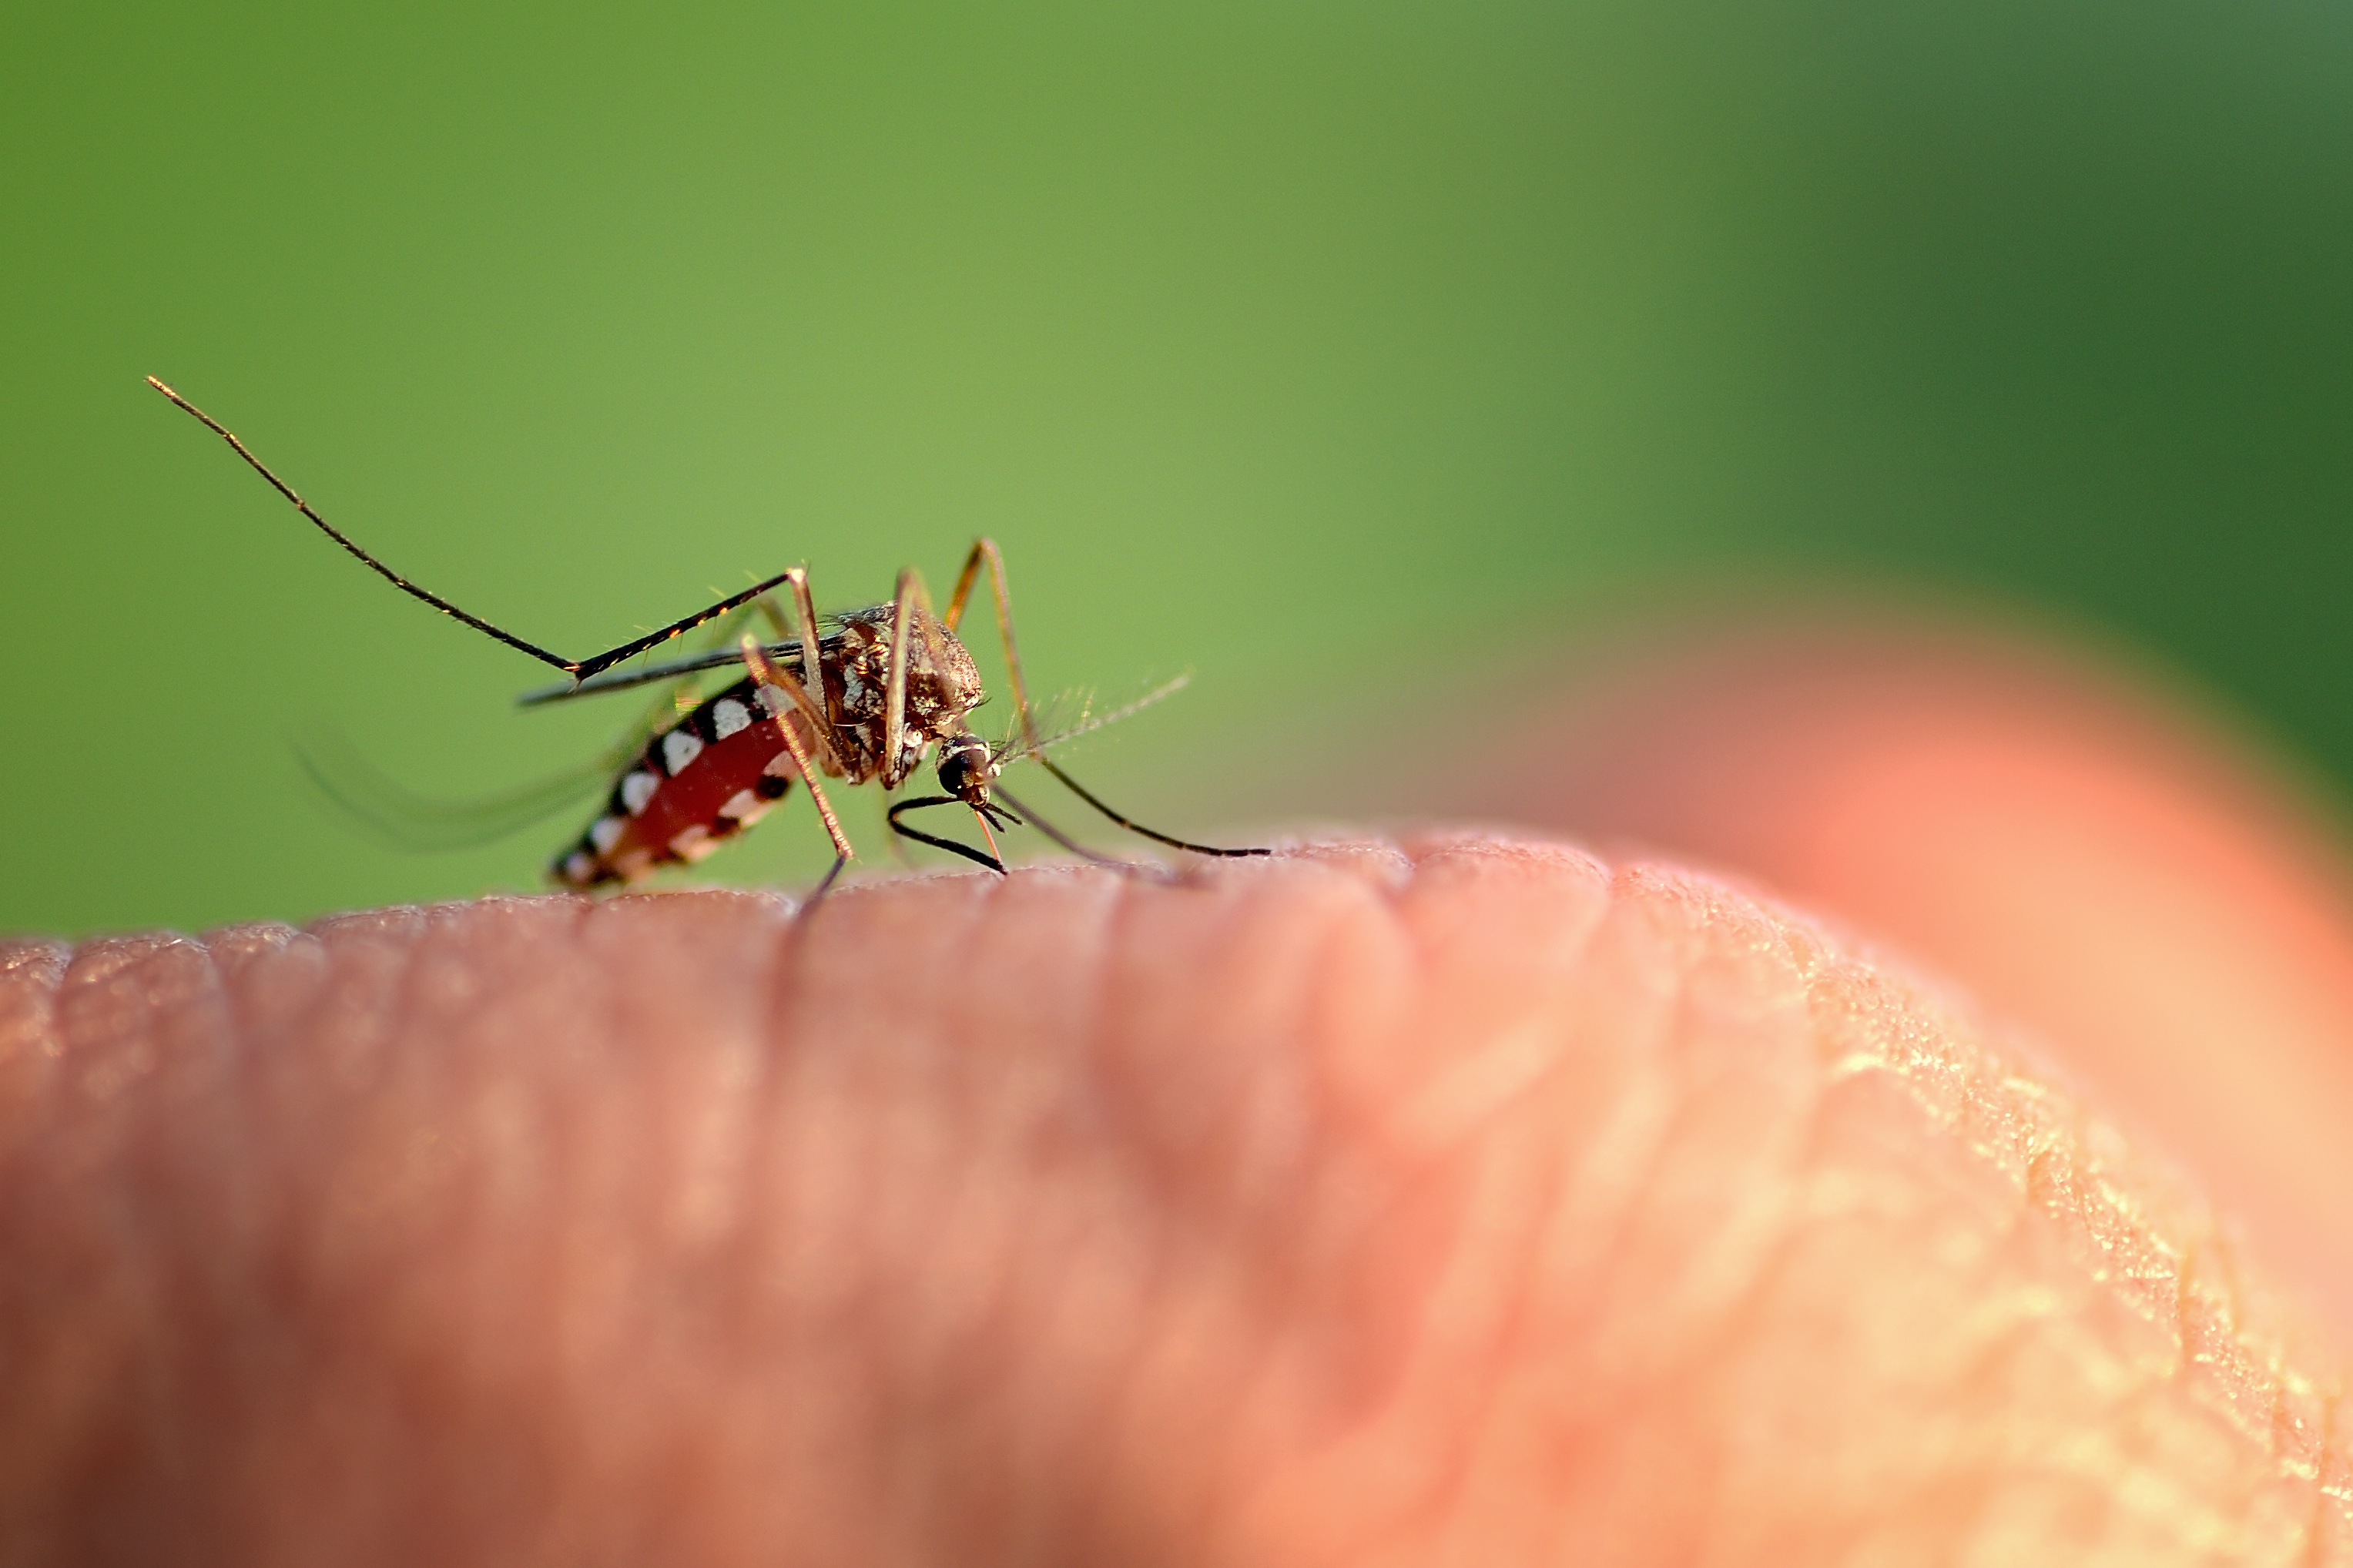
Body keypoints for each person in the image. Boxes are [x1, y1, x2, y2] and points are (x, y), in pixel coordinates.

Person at [3, 616, 2348, 1563]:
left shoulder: (944, 731)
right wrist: (801, 790)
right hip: (734, 726)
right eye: (966, 761)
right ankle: (562, 715)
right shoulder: (843, 725)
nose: (963, 780)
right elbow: (831, 677)